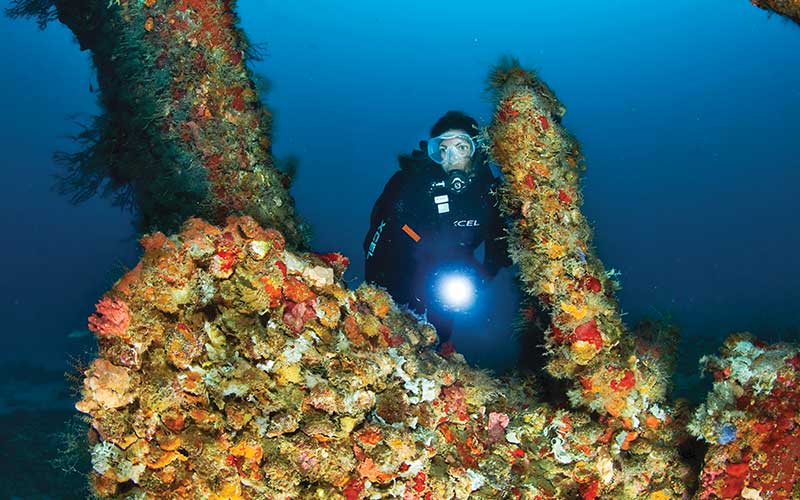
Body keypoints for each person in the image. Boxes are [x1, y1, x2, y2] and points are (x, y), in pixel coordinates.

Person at [363, 111, 512, 347]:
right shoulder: (414, 185)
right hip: (405, 269)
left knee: (438, 336)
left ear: (475, 151)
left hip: (450, 277)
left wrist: (480, 278)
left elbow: (499, 248)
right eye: (443, 150)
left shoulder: (490, 195)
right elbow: (381, 231)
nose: (451, 158)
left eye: (461, 147)